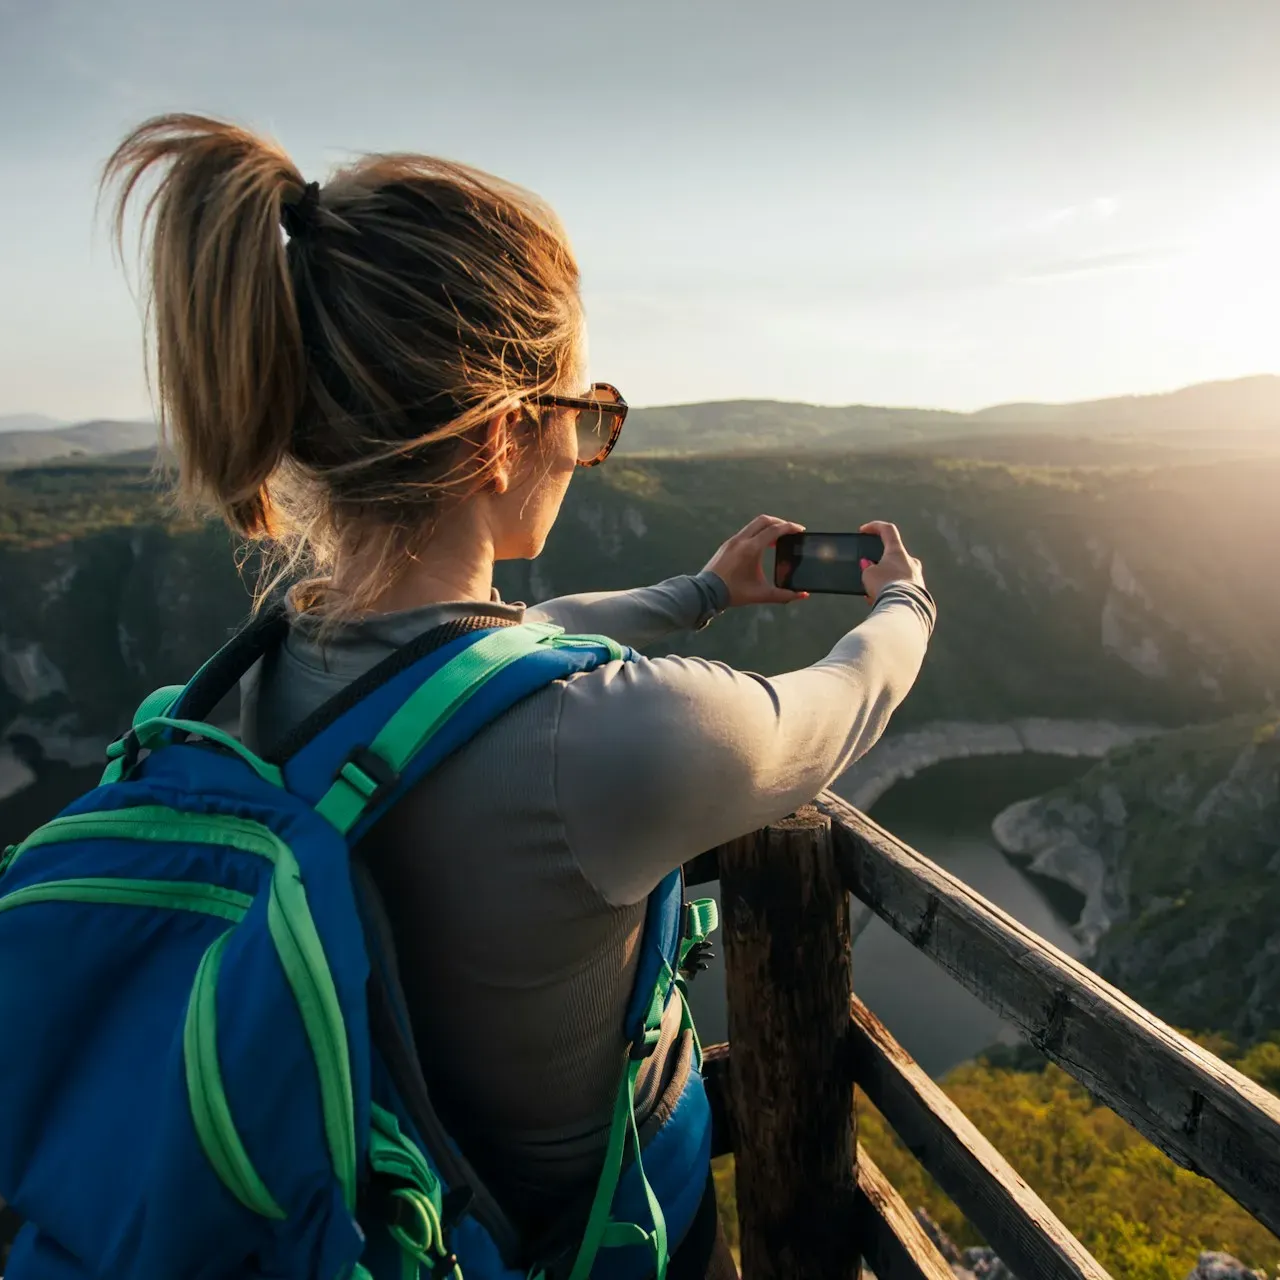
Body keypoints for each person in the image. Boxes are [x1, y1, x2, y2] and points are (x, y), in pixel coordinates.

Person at [101, 113, 936, 1279]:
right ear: (502, 437)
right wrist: (906, 604)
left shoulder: (256, 679)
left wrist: (700, 591)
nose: (584, 448)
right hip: (593, 1246)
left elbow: (499, 651)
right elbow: (835, 704)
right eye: (583, 417)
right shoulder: (619, 740)